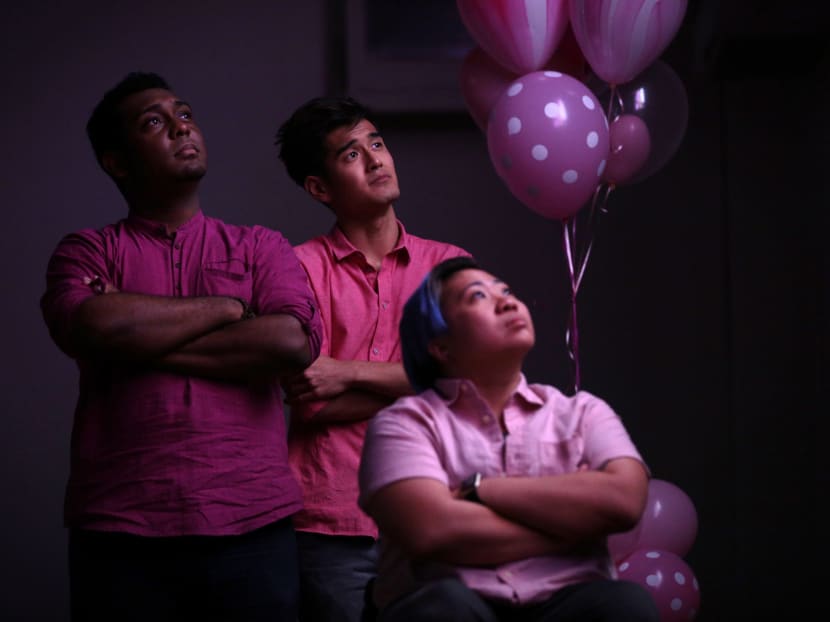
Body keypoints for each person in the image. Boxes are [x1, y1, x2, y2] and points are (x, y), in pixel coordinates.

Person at [40, 71, 323, 622]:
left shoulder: (258, 245)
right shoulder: (86, 251)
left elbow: (292, 341)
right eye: (154, 122)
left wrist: (134, 337)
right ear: (116, 161)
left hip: (252, 523)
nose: (180, 127)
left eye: (185, 115)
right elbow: (88, 325)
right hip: (120, 529)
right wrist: (229, 307)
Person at [357, 256, 661, 622]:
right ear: (441, 346)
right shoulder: (403, 423)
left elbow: (626, 501)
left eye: (507, 291)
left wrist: (480, 490)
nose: (507, 301)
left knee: (626, 604)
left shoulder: (583, 412)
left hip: (565, 602)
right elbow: (433, 530)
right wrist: (574, 528)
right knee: (445, 607)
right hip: (455, 605)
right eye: (477, 296)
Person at [274, 96, 471, 622]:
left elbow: (466, 383)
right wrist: (420, 384)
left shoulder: (448, 264)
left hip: (433, 511)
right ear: (319, 188)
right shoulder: (298, 268)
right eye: (351, 155)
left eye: (377, 144)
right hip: (331, 518)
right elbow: (310, 401)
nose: (377, 159)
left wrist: (347, 372)